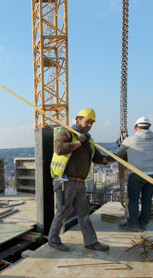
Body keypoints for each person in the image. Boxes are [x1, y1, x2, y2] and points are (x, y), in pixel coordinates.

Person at [47, 108, 111, 252]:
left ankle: (91, 242)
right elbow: (59, 148)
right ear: (78, 120)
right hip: (64, 181)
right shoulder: (67, 133)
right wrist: (79, 142)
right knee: (62, 212)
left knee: (84, 213)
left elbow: (96, 157)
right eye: (87, 121)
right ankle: (53, 239)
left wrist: (108, 159)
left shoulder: (88, 139)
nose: (89, 125)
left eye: (91, 123)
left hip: (79, 182)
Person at [114, 116, 153, 232]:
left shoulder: (131, 140)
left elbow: (118, 154)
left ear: (136, 128)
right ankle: (143, 223)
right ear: (149, 127)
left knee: (133, 199)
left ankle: (132, 224)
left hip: (137, 174)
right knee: (147, 199)